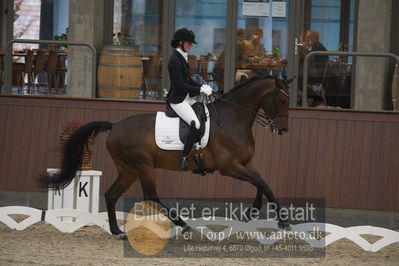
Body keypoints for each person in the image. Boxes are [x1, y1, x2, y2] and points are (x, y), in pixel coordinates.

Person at [166, 28, 213, 171]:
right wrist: (199, 90)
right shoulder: (174, 60)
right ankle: (184, 157)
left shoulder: (182, 57)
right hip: (178, 100)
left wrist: (202, 86)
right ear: (180, 42)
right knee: (195, 123)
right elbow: (180, 85)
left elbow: (188, 79)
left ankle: (197, 146)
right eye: (189, 43)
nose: (190, 45)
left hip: (186, 98)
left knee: (203, 110)